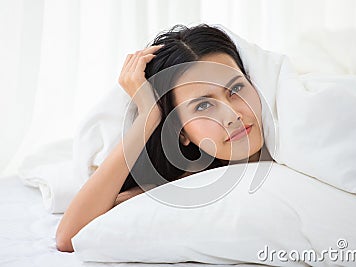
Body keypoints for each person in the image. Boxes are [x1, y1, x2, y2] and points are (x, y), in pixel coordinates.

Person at [56, 24, 270, 252]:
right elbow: (69, 237)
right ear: (182, 132)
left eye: (235, 89)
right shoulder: (187, 181)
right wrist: (149, 114)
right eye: (204, 105)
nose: (232, 116)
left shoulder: (291, 132)